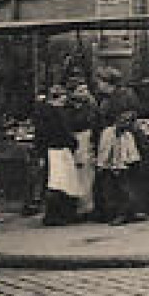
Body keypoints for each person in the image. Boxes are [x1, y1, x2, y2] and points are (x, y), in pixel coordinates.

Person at [32, 84, 81, 225]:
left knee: (56, 183)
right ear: (58, 98)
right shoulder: (56, 113)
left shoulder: (43, 112)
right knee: (60, 183)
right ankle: (57, 215)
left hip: (52, 150)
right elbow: (64, 133)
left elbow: (40, 136)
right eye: (63, 97)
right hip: (58, 150)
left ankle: (56, 215)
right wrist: (73, 143)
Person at [96, 109, 149, 225]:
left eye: (128, 122)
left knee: (126, 188)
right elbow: (104, 150)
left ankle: (127, 212)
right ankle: (115, 213)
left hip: (124, 165)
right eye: (123, 121)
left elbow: (132, 152)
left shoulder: (128, 135)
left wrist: (128, 164)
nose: (125, 124)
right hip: (109, 165)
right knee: (110, 190)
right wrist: (103, 165)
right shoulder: (107, 133)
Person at [65, 83, 99, 221]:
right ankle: (76, 206)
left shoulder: (91, 105)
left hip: (86, 138)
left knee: (86, 173)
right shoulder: (68, 107)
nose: (84, 92)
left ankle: (87, 206)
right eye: (80, 90)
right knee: (75, 173)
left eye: (85, 89)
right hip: (74, 139)